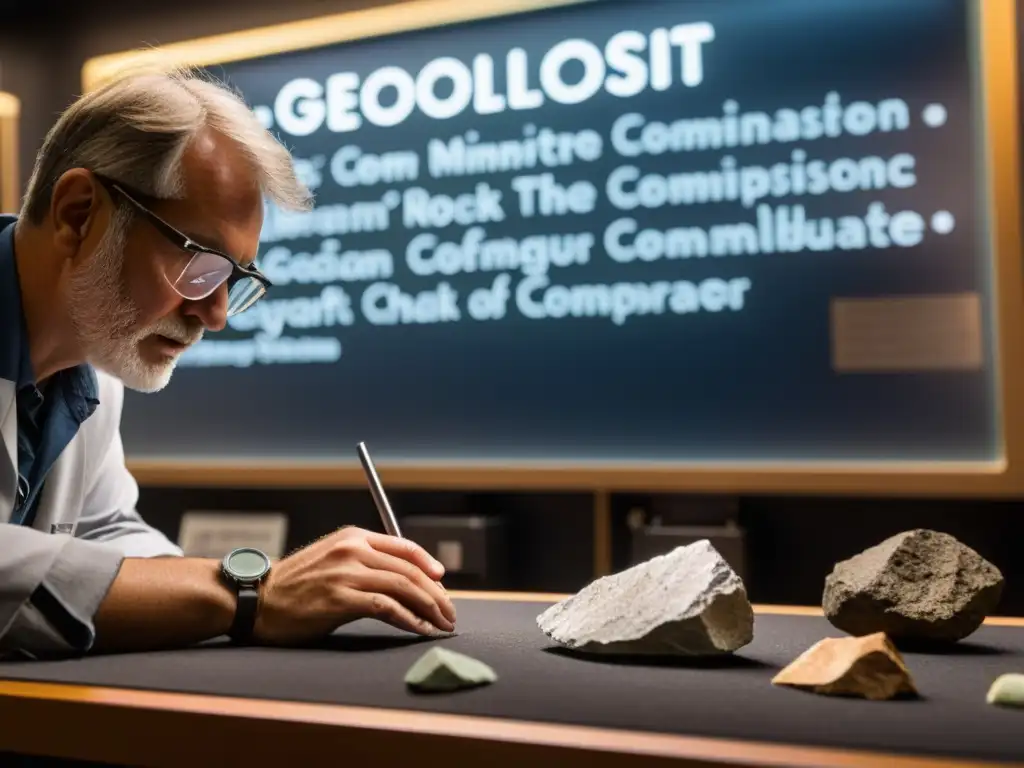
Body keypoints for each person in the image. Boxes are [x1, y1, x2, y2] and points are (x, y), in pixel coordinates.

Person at [0, 66, 456, 659]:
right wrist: (249, 593)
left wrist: (280, 587)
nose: (216, 314)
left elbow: (105, 534)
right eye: (200, 265)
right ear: (79, 213)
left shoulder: (92, 365)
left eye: (235, 280)